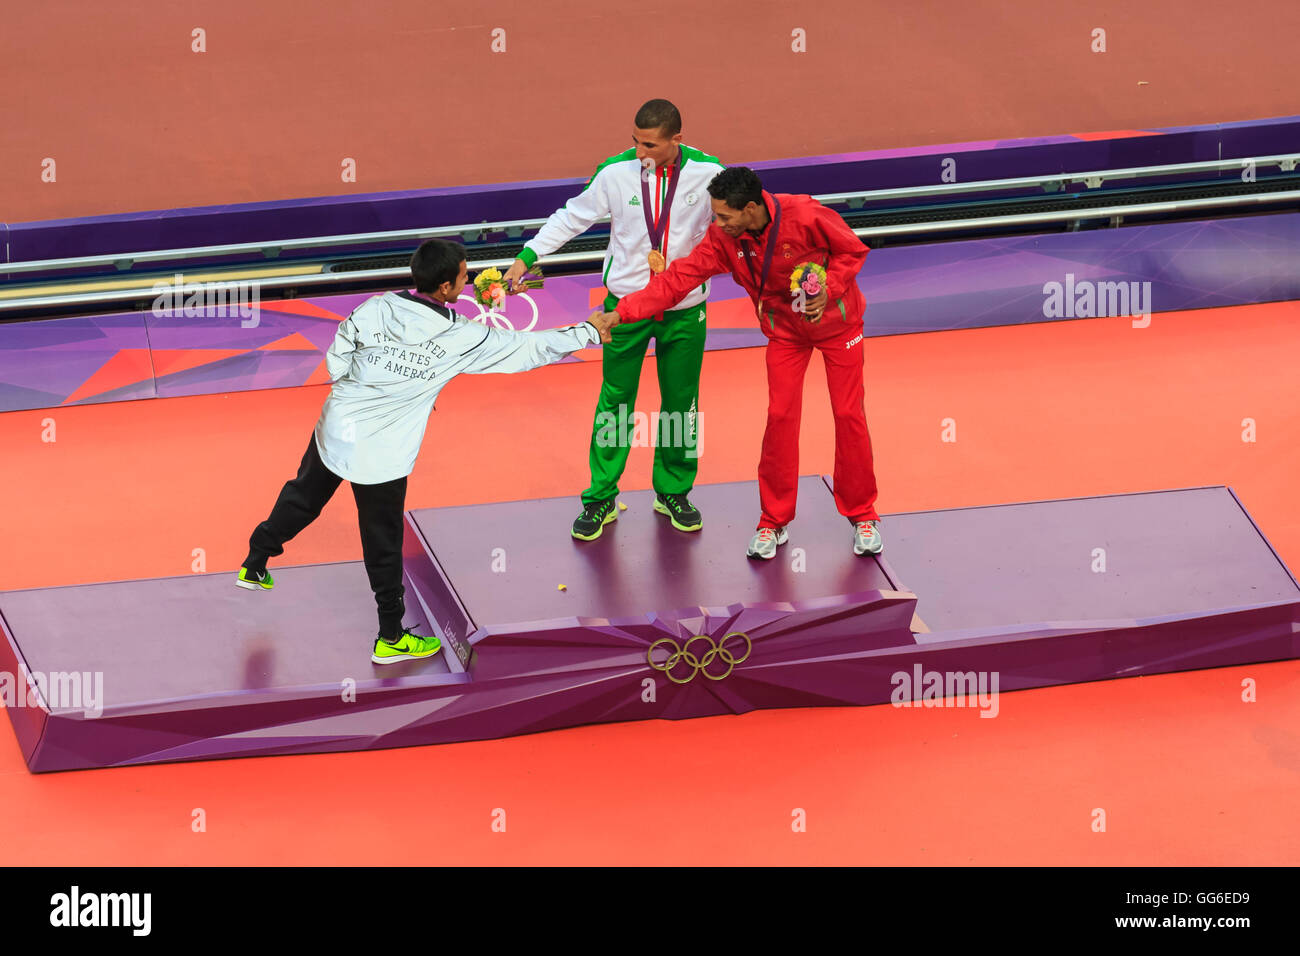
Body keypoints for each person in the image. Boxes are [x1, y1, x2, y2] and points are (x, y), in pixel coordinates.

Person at [236, 238, 618, 663]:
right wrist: (587, 331)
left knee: (303, 497)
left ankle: (255, 560)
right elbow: (523, 351)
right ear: (445, 288)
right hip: (382, 451)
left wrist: (361, 385)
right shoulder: (459, 336)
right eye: (463, 274)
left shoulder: (375, 306)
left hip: (337, 426)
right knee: (382, 541)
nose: (467, 278)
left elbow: (338, 355)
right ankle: (391, 637)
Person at [602, 166, 883, 560]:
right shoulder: (723, 239)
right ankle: (773, 520)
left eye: (724, 216)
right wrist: (625, 310)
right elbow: (678, 278)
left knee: (848, 414)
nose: (718, 224)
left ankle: (862, 514)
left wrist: (829, 288)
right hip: (785, 334)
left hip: (838, 326)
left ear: (750, 208)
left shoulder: (805, 215)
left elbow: (853, 249)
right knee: (781, 416)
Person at [502, 98, 725, 541]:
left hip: (684, 308)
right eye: (636, 142)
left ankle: (673, 491)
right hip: (623, 307)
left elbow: (730, 229)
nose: (641, 152)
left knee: (682, 402)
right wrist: (526, 259)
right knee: (616, 401)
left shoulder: (709, 172)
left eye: (651, 145)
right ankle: (601, 496)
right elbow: (571, 218)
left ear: (676, 141)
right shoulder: (615, 172)